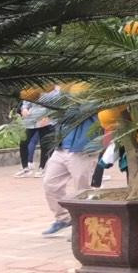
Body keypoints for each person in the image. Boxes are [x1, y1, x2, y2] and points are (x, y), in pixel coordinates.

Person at [40, 87, 101, 235]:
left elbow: (82, 110)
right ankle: (64, 218)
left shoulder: (91, 91)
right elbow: (47, 101)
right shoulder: (62, 92)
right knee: (50, 184)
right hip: (61, 148)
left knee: (83, 189)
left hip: (82, 149)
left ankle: (85, 226)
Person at [14, 88, 52, 178]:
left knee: (44, 145)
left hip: (44, 121)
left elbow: (54, 106)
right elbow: (25, 102)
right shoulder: (30, 89)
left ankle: (42, 168)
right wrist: (24, 109)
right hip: (30, 121)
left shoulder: (49, 90)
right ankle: (25, 168)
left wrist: (48, 116)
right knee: (23, 143)